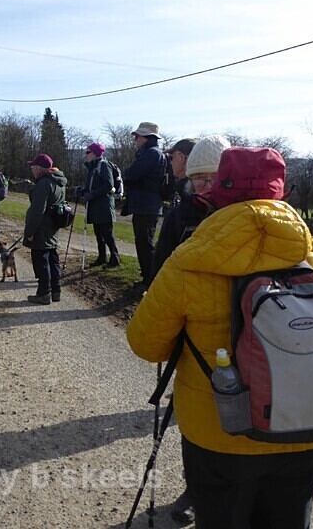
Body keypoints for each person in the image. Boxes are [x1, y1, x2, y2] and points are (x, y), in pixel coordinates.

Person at [127, 147, 313, 529]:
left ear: (219, 192)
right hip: (306, 430)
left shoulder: (190, 260)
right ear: (279, 193)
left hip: (220, 434)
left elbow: (145, 344)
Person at [148, 134, 228, 524]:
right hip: (195, 336)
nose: (205, 186)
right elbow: (160, 271)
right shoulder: (181, 215)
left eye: (212, 178)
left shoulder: (249, 214)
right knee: (195, 415)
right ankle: (195, 489)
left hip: (242, 333)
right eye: (198, 179)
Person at [152, 134, 230, 281]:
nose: (208, 186)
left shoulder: (243, 215)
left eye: (215, 177)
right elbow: (161, 266)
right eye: (200, 177)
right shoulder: (179, 215)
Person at [122, 122, 166, 287]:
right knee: (143, 242)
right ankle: (147, 276)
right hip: (147, 205)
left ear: (147, 137)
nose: (135, 139)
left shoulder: (152, 154)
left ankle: (150, 279)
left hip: (147, 205)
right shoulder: (151, 153)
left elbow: (131, 174)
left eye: (137, 136)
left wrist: (128, 174)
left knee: (145, 243)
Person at [23, 153, 67, 305]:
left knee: (41, 261)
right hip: (53, 226)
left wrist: (30, 232)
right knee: (53, 258)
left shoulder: (44, 183)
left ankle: (43, 293)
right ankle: (56, 291)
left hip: (41, 227)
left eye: (33, 168)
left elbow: (37, 211)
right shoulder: (59, 182)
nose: (32, 171)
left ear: (40, 169)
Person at [76, 142, 120, 267]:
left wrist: (93, 194)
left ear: (95, 153)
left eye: (88, 152)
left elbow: (108, 185)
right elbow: (92, 186)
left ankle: (115, 259)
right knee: (98, 234)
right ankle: (102, 257)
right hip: (96, 206)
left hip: (104, 206)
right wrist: (83, 191)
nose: (85, 155)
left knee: (107, 234)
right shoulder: (93, 167)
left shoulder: (103, 165)